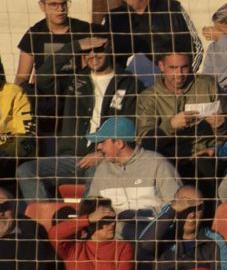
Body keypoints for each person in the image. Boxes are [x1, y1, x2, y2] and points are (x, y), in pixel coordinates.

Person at [18, 33, 142, 205]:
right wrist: (73, 47)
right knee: (26, 170)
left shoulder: (130, 84)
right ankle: (45, 219)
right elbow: (43, 77)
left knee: (97, 171)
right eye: (86, 51)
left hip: (107, 158)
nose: (92, 55)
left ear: (109, 48)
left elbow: (131, 126)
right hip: (71, 158)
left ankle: (87, 218)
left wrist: (103, 153)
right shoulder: (74, 79)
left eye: (98, 49)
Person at [135, 46, 227, 196]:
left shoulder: (207, 85)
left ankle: (209, 210)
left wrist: (220, 126)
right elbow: (145, 142)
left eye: (184, 67)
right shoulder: (149, 97)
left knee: (204, 165)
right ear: (161, 66)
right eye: (173, 68)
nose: (179, 74)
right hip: (169, 158)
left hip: (205, 155)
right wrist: (170, 125)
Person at [99, 0, 200, 81]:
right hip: (124, 87)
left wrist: (179, 79)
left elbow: (196, 48)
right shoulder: (112, 18)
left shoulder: (172, 9)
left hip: (167, 87)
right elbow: (100, 55)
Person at [81, 116, 181, 228]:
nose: (98, 147)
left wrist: (142, 215)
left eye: (102, 142)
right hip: (114, 236)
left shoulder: (157, 164)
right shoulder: (102, 169)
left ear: (119, 143)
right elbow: (92, 206)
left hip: (150, 234)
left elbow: (176, 205)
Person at [48, 197, 135, 270]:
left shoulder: (123, 247)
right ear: (92, 222)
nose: (112, 224)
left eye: (113, 219)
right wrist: (87, 219)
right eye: (105, 220)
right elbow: (54, 234)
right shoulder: (74, 247)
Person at [14, 0, 92, 89]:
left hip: (76, 94)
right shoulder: (34, 34)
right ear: (42, 6)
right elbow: (22, 77)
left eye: (64, 3)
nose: (60, 9)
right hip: (43, 96)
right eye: (53, 4)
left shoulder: (83, 29)